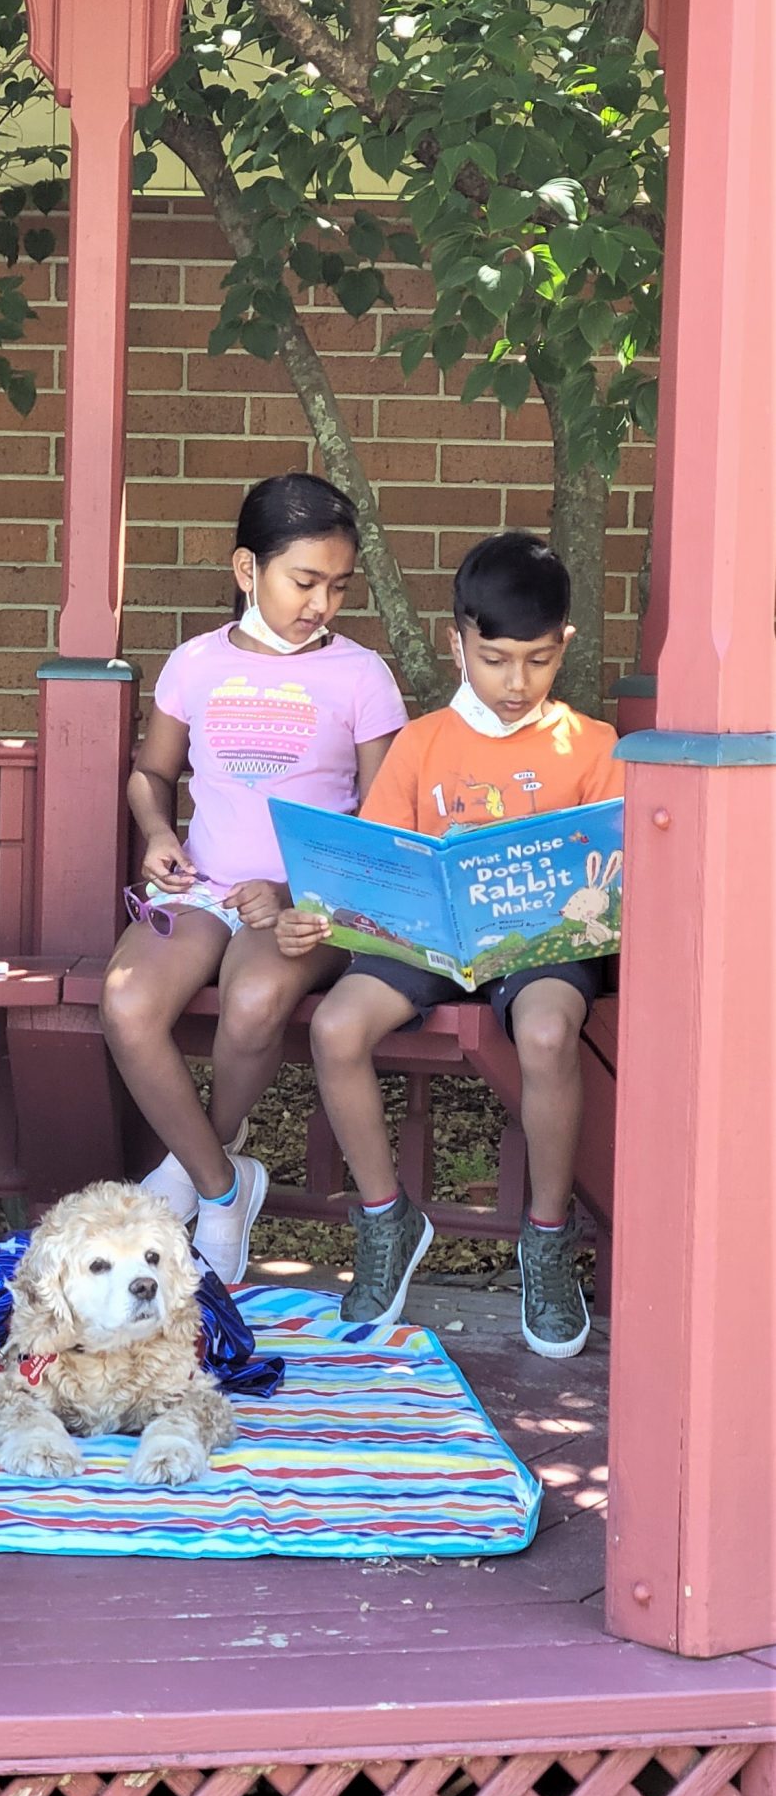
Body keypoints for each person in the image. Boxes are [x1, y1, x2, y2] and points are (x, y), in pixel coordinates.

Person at [277, 531, 624, 1358]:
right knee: (333, 1027)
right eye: (495, 658)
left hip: (539, 946)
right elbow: (368, 872)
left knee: (544, 1033)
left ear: (562, 646)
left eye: (538, 661)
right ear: (456, 638)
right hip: (424, 943)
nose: (515, 683)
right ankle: (386, 1219)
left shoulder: (594, 746)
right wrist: (317, 917)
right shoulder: (422, 742)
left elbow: (609, 882)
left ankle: (544, 1237)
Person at [100, 473, 407, 1287]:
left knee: (252, 1000)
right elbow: (149, 773)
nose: (322, 604)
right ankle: (223, 1184)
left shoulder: (360, 676)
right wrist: (159, 834)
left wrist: (291, 889)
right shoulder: (195, 663)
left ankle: (196, 1163)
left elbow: (384, 819)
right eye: (304, 581)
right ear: (247, 570)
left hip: (309, 901)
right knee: (127, 1004)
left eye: (337, 586)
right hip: (203, 887)